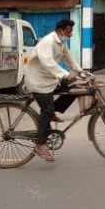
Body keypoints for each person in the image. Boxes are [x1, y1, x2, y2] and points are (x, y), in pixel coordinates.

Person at [25, 19, 84, 162]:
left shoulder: (60, 42)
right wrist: (65, 74)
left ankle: (52, 111)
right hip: (38, 80)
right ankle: (40, 145)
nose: (70, 35)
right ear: (61, 30)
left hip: (49, 79)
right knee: (46, 110)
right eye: (68, 32)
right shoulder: (48, 42)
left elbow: (68, 58)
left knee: (75, 87)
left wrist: (81, 71)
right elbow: (47, 63)